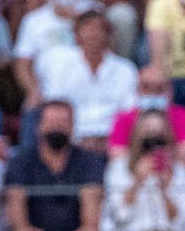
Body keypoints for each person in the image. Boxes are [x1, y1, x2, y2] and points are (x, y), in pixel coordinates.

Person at [34, 8, 138, 150]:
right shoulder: (60, 67)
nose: (93, 35)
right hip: (72, 140)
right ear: (76, 35)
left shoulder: (126, 70)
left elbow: (129, 111)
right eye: (88, 29)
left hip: (113, 141)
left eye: (98, 29)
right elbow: (56, 106)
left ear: (108, 35)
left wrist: (112, 139)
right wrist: (77, 138)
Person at [3, 100, 104, 231]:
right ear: (39, 126)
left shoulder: (89, 161)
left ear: (72, 126)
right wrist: (23, 229)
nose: (57, 127)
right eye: (52, 122)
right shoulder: (20, 162)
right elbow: (15, 198)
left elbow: (91, 200)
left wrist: (87, 230)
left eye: (63, 122)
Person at [101, 108, 185, 231]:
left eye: (159, 131)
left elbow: (182, 221)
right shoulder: (119, 166)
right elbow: (119, 215)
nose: (153, 136)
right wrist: (137, 181)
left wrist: (164, 189)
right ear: (137, 133)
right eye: (148, 130)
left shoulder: (179, 169)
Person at [13, 0, 87, 112]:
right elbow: (22, 63)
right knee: (31, 107)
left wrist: (76, 20)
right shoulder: (33, 20)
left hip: (84, 84)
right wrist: (32, 90)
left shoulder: (90, 13)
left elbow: (105, 49)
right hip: (46, 88)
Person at [110, 65, 185, 161]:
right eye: (146, 87)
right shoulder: (124, 118)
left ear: (170, 90)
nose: (153, 92)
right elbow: (116, 155)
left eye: (159, 88)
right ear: (137, 90)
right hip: (134, 172)